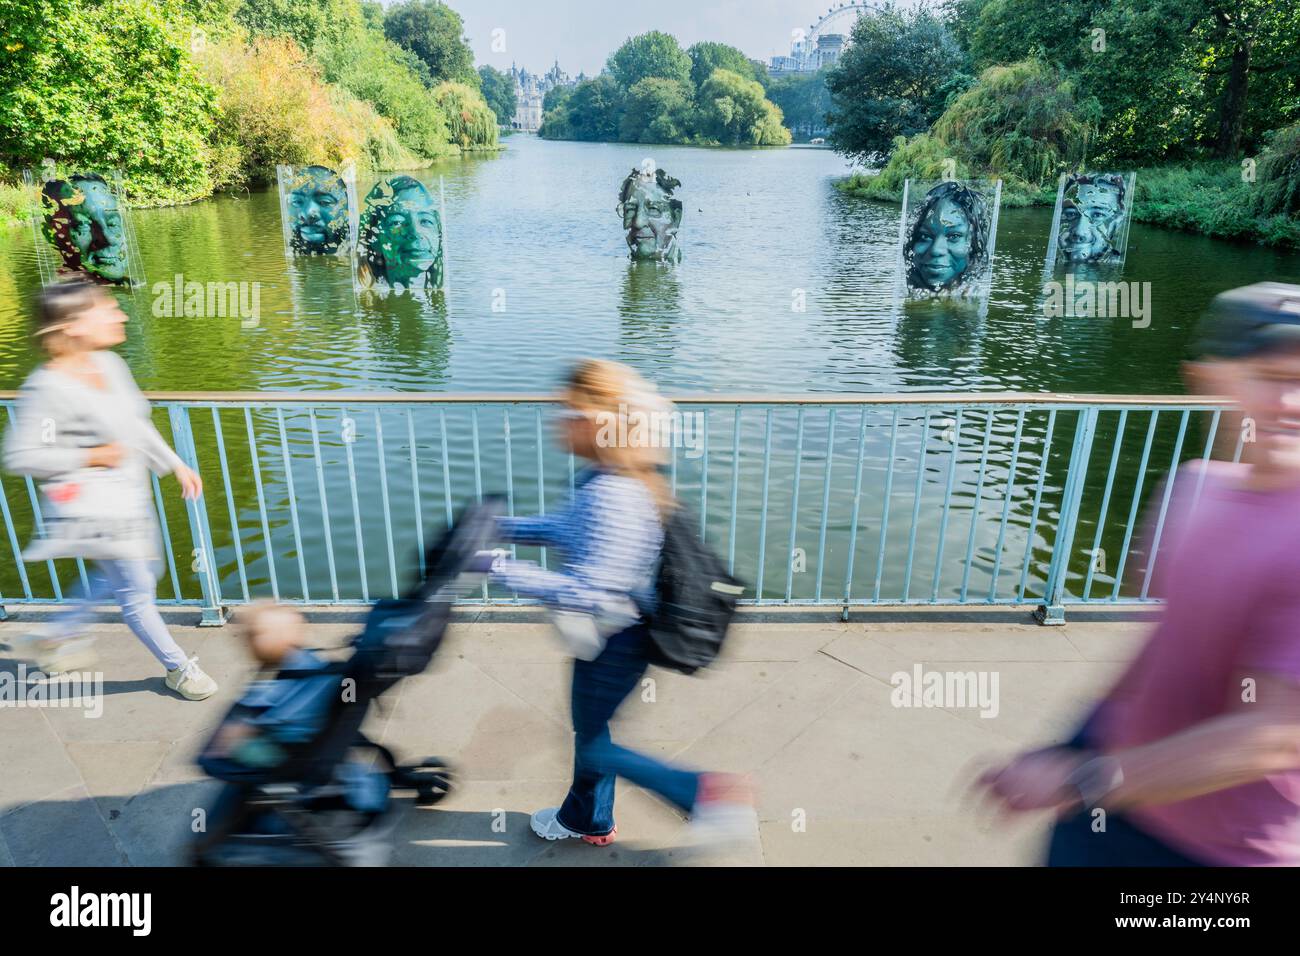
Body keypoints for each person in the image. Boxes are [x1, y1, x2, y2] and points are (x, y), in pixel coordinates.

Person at [975, 282, 1300, 866]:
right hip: (1120, 814)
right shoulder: (1194, 487)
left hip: (1230, 856)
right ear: (1208, 379)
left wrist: (1085, 779)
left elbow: (1277, 734)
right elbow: (1165, 643)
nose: (1292, 403)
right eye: (1272, 378)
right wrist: (1077, 745)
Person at [488, 358, 752, 846]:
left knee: (593, 746)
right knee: (593, 733)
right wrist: (503, 529)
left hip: (616, 641)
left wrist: (499, 569)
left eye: (568, 411)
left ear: (597, 420)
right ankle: (590, 820)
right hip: (611, 636)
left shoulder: (614, 491)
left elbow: (591, 591)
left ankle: (701, 793)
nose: (558, 422)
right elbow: (568, 530)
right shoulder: (607, 477)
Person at [3, 280, 217, 699]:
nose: (120, 316)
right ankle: (179, 669)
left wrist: (175, 464)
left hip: (129, 498)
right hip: (92, 510)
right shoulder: (47, 388)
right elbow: (22, 454)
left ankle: (56, 634)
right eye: (109, 310)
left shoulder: (110, 365)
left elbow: (136, 423)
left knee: (142, 575)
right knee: (137, 589)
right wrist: (91, 455)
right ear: (74, 324)